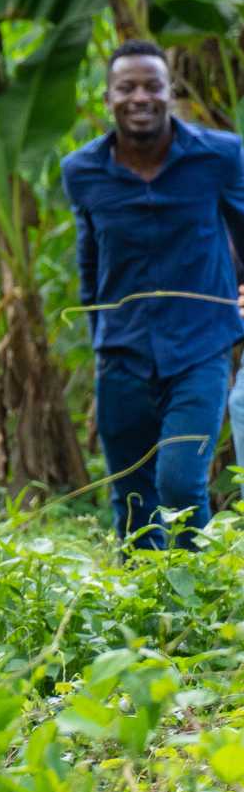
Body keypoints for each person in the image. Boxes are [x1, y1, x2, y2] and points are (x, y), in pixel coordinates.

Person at [61, 39, 244, 550]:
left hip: (200, 348)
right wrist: (101, 344)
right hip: (122, 355)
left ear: (170, 93)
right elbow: (90, 262)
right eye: (127, 87)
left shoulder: (219, 157)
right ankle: (143, 616)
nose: (139, 97)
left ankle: (193, 607)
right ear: (108, 99)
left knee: (180, 482)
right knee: (133, 498)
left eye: (151, 86)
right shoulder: (83, 171)